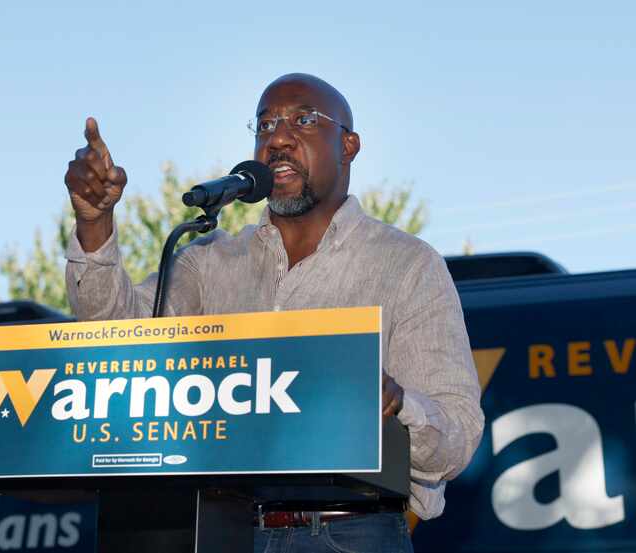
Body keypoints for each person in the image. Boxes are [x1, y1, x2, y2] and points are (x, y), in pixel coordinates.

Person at [63, 73, 484, 553]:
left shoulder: (406, 263)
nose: (278, 138)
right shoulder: (208, 260)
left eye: (303, 120)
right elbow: (118, 341)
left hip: (349, 533)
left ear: (348, 146)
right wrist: (94, 224)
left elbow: (456, 440)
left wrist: (397, 404)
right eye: (265, 125)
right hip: (222, 530)